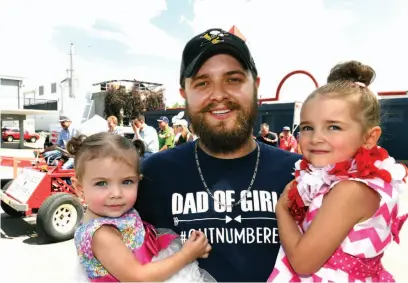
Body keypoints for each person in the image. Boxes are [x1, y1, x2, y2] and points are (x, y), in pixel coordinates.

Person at [136, 28, 301, 282]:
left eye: (233, 79)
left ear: (255, 86)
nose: (219, 95)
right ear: (185, 94)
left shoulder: (301, 174)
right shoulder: (152, 176)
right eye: (202, 83)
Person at [268, 61, 408, 282]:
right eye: (307, 127)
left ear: (369, 138)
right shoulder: (342, 181)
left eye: (333, 126)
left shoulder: (349, 191)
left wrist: (282, 208)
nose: (316, 137)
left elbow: (303, 262)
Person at [72, 132, 215, 282]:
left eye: (127, 182)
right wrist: (186, 255)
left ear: (138, 180)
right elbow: (138, 278)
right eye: (101, 183)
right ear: (79, 188)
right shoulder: (102, 235)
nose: (116, 193)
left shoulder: (117, 216)